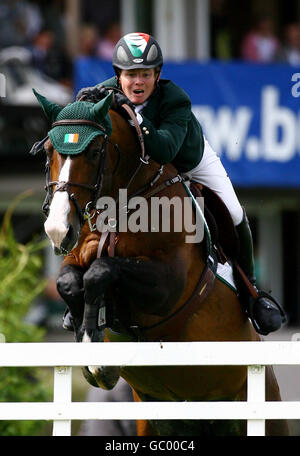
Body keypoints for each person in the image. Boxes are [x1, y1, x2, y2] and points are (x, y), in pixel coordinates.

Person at [64, 32, 285, 336]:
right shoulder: (105, 93)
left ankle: (252, 295)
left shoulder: (175, 99)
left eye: (145, 74)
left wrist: (128, 112)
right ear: (118, 75)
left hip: (188, 160)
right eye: (130, 75)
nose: (137, 83)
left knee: (234, 214)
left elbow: (164, 150)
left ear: (157, 75)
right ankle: (78, 290)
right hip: (143, 170)